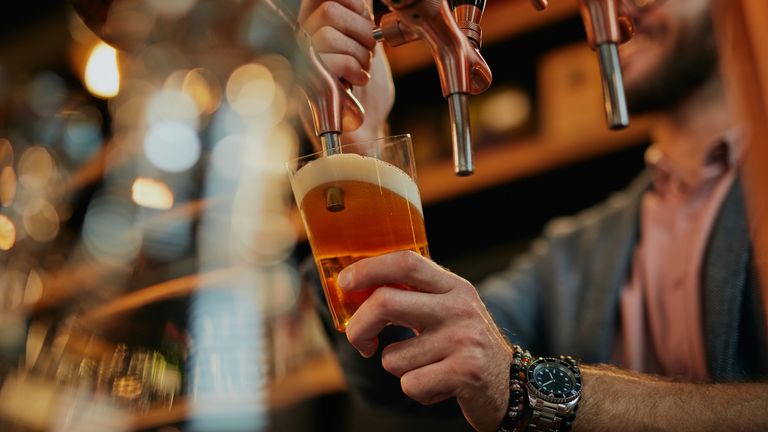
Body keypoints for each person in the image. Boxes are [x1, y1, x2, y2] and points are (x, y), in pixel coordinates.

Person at [297, 0, 768, 430]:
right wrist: (360, 151)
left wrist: (526, 386)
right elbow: (408, 363)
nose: (626, 6)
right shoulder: (576, 251)